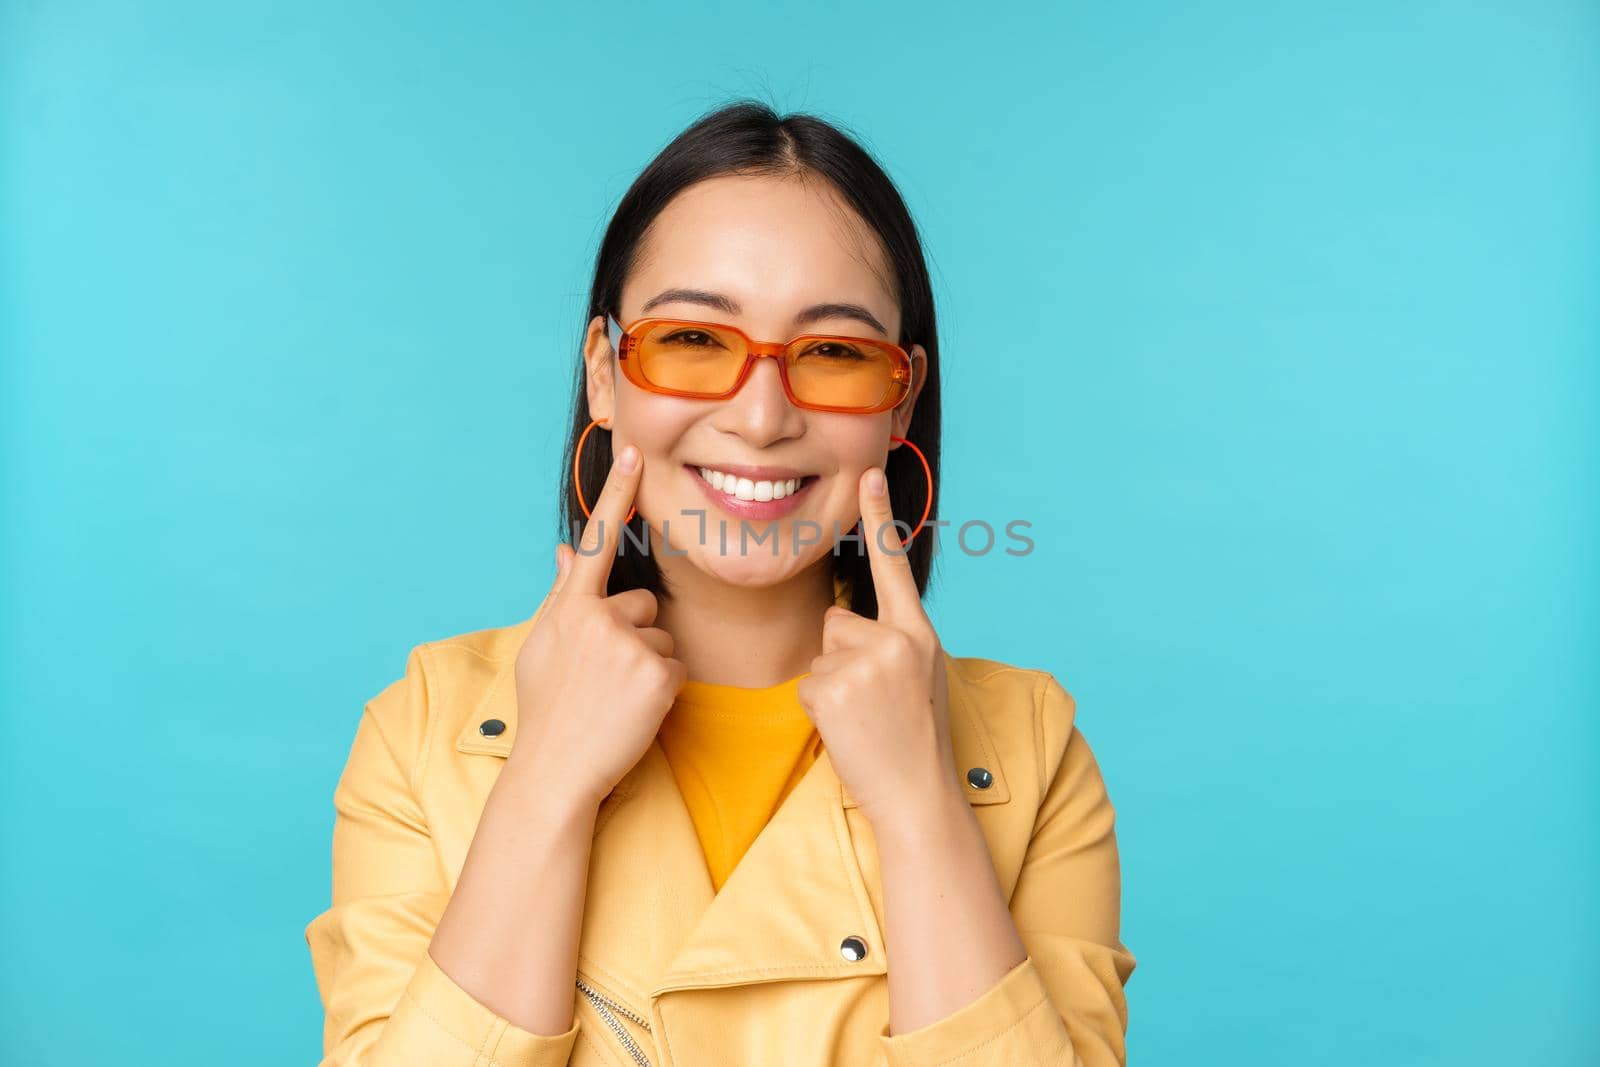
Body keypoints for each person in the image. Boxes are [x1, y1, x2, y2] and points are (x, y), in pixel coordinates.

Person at [305, 100, 1136, 1067]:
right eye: (695, 340)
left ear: (900, 395)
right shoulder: (422, 730)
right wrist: (545, 780)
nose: (760, 416)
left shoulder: (1029, 751)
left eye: (832, 352)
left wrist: (920, 805)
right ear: (607, 375)